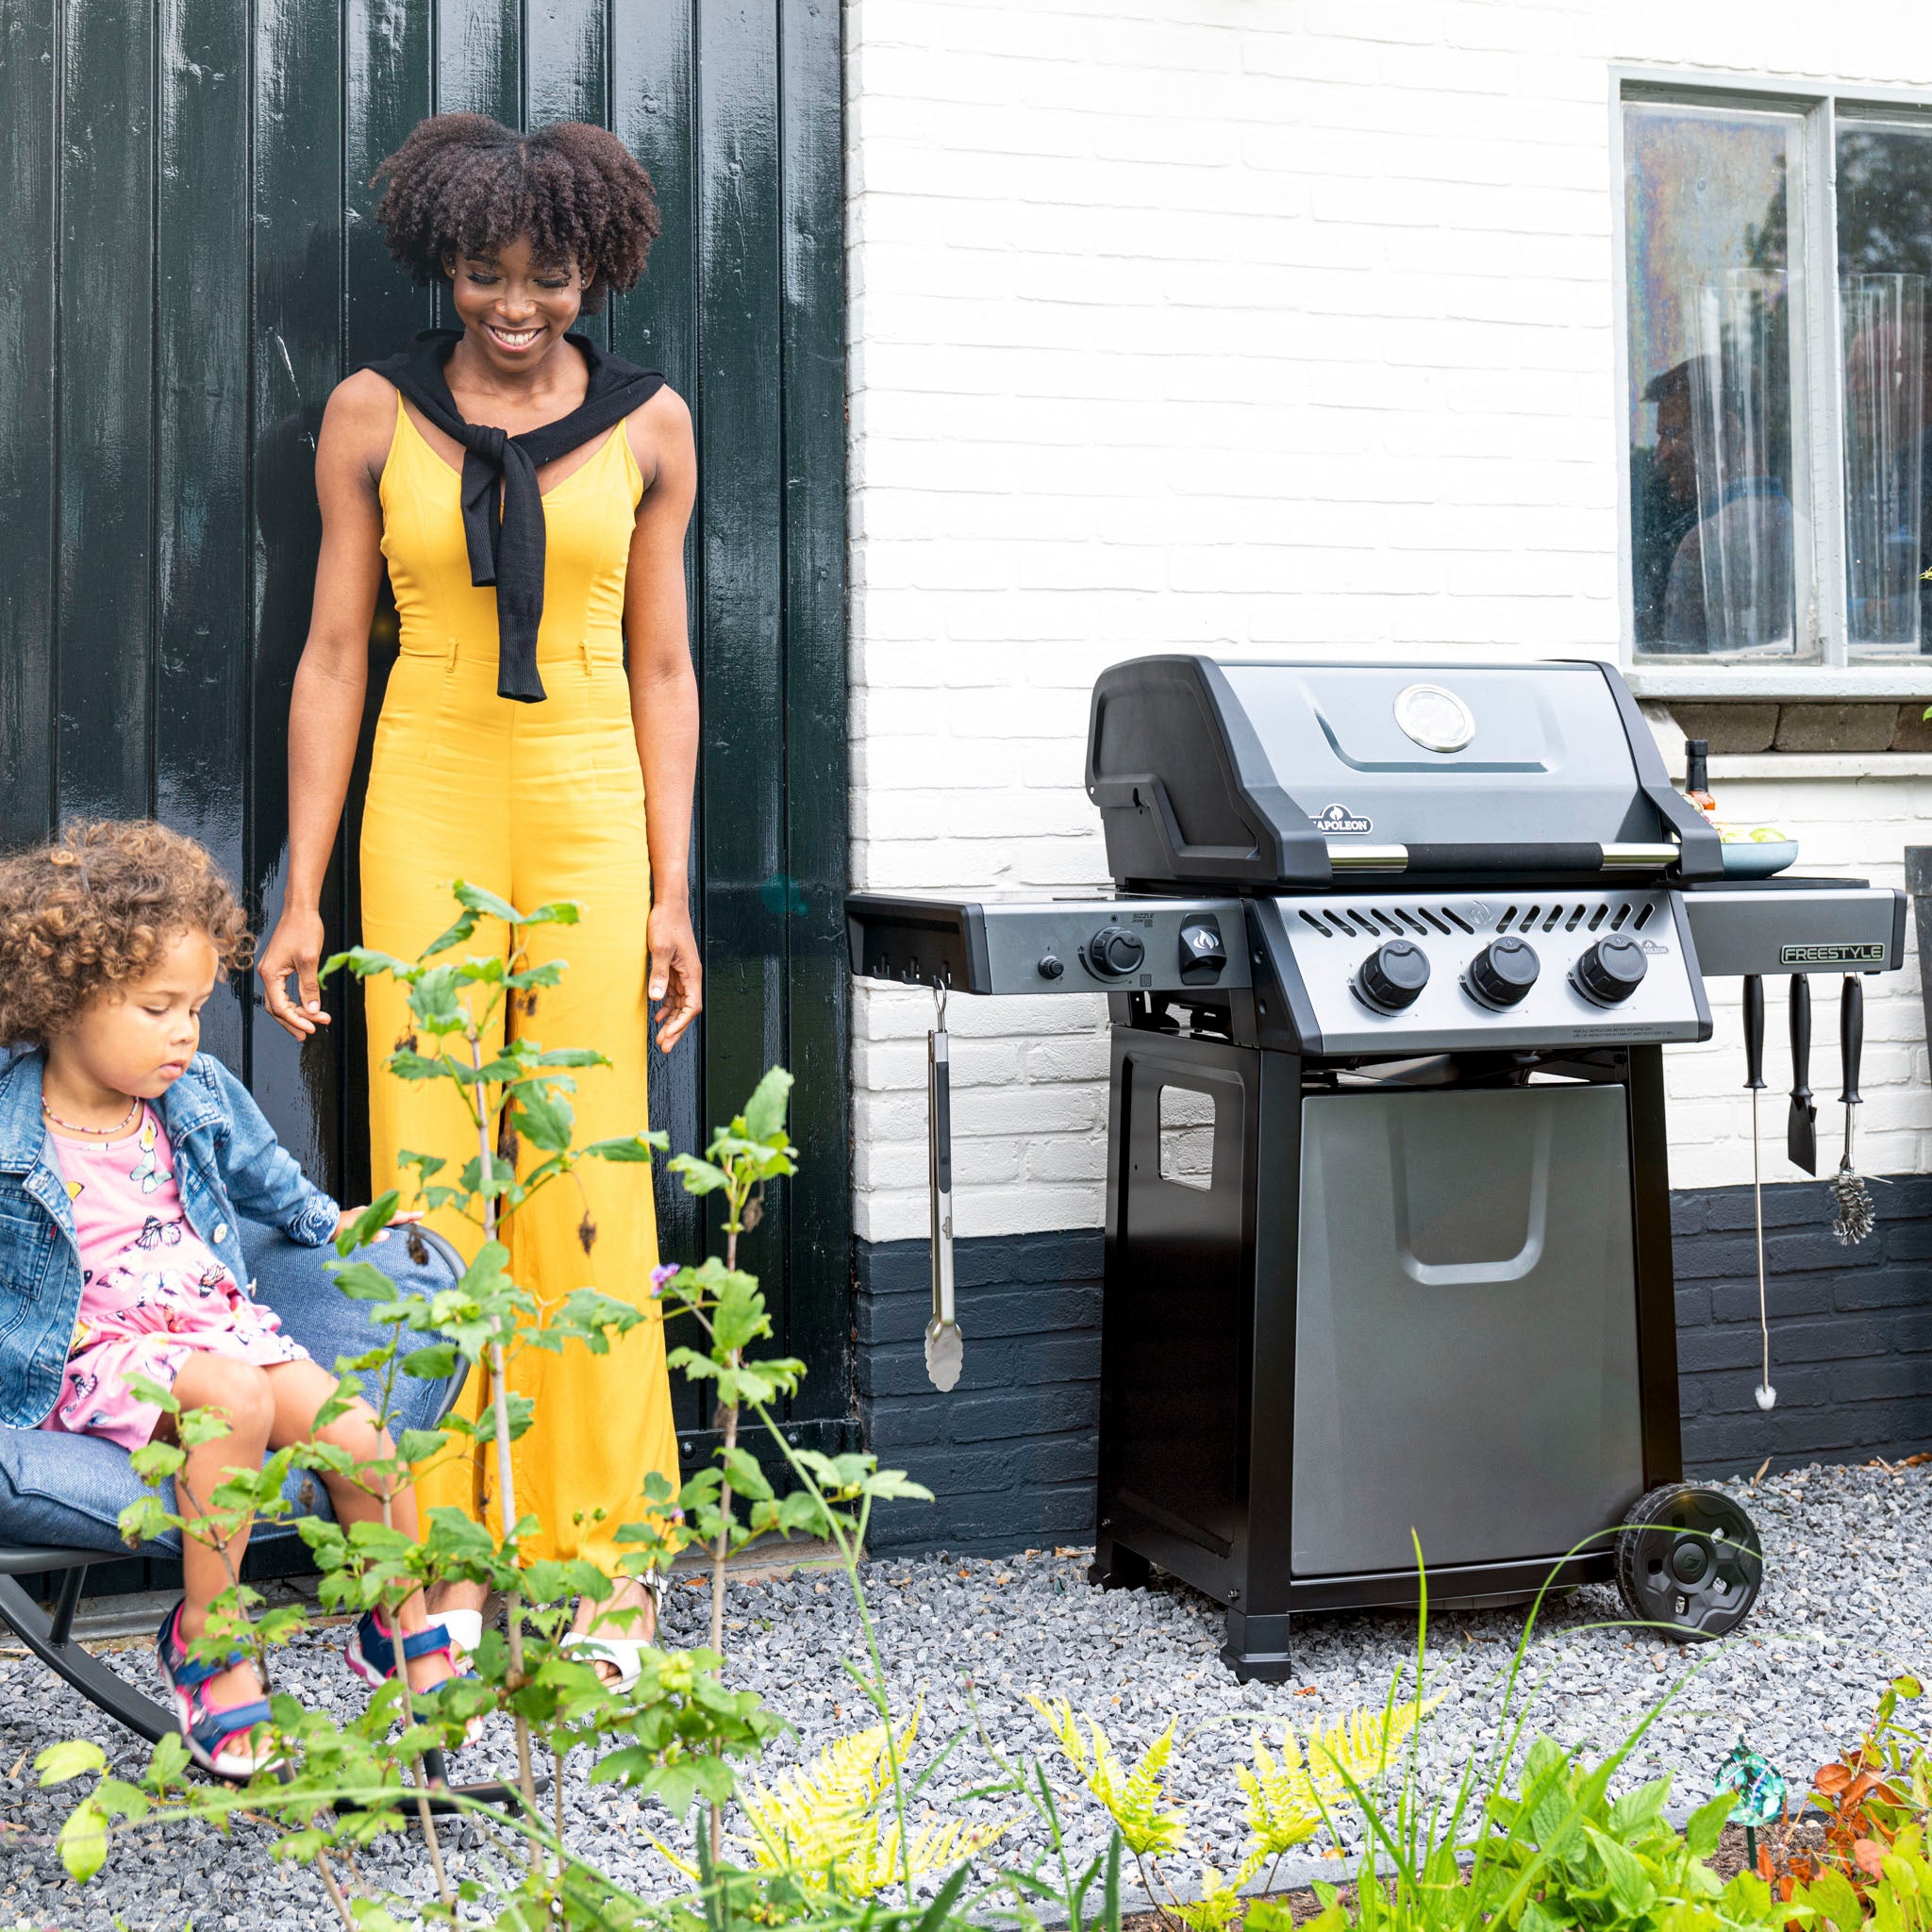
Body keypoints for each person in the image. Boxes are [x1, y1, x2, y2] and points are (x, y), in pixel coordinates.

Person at [255, 115, 701, 1689]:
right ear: (443, 264)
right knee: (430, 1171)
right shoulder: (375, 410)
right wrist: (300, 890)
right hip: (427, 789)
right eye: (481, 272)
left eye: (546, 274)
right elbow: (331, 656)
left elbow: (661, 667)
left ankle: (598, 1558)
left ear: (596, 265)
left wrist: (670, 893)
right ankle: (425, 1559)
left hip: (586, 804)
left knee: (586, 1166)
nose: (513, 303)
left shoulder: (652, 425)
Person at [0, 822, 458, 1778]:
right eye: (158, 1005)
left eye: (197, 1006)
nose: (184, 1031)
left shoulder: (194, 1091)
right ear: (69, 998)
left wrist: (340, 1225)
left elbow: (272, 1185)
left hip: (215, 1321)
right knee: (237, 1400)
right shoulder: (12, 1117)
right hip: (95, 1350)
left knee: (359, 1433)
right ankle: (207, 1633)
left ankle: (397, 1619)